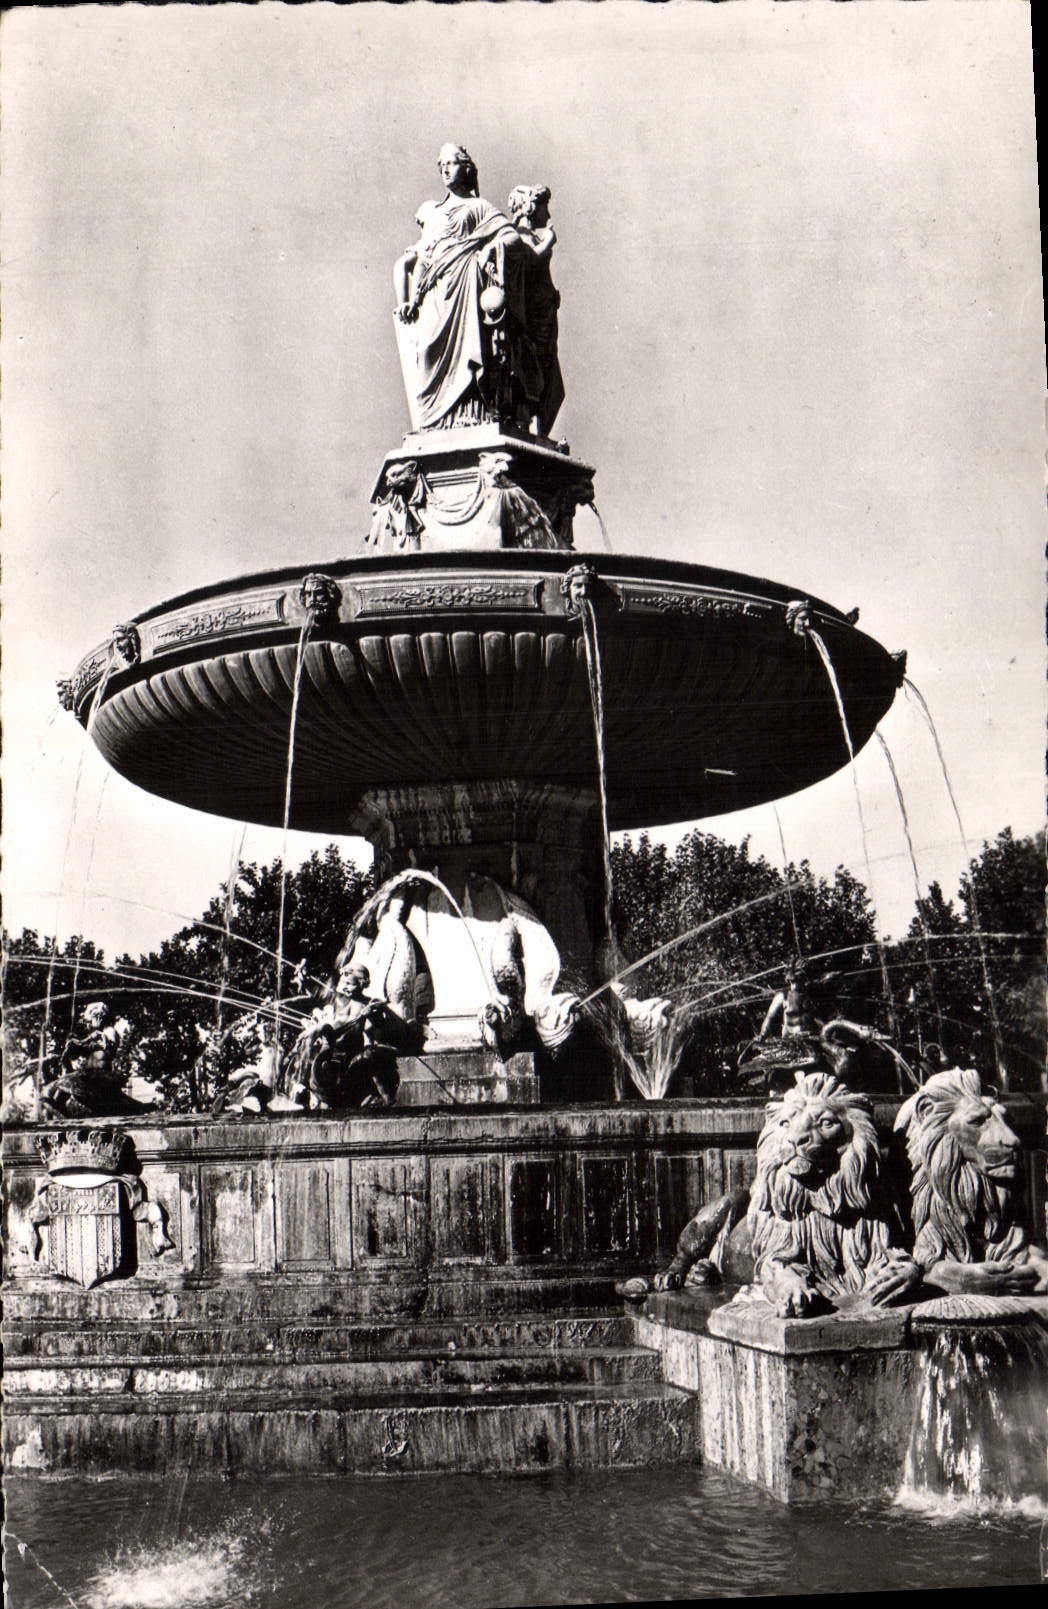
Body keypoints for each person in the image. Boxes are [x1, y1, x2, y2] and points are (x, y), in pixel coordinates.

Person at [393, 145, 527, 430]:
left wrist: (491, 249)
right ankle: (435, 420)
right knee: (429, 352)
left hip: (467, 284)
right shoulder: (431, 211)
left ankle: (472, 414)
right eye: (441, 164)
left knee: (470, 351)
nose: (445, 169)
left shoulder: (477, 207)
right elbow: (420, 257)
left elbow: (511, 238)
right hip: (433, 291)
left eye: (451, 163)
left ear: (465, 169)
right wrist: (408, 299)